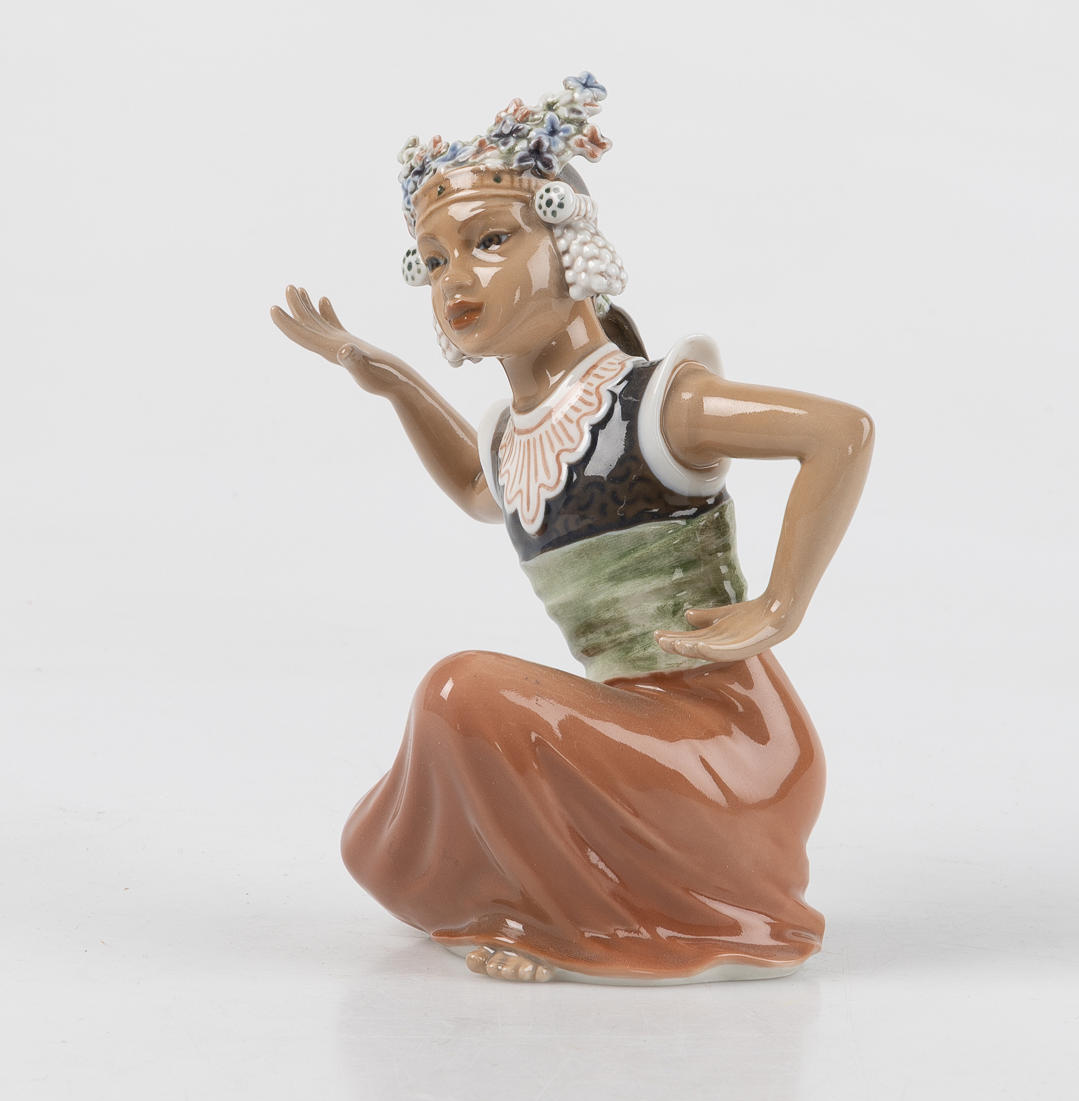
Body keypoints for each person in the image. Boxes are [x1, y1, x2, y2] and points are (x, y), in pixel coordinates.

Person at [270, 74, 874, 984]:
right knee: (398, 812)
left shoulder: (654, 405)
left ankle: (568, 924)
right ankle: (533, 904)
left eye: (490, 241)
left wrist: (781, 603)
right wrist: (388, 379)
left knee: (461, 691)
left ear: (568, 246)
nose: (455, 278)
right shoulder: (515, 439)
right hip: (630, 735)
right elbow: (475, 487)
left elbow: (838, 433)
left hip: (733, 752)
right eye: (433, 260)